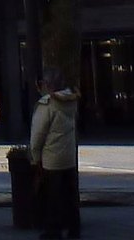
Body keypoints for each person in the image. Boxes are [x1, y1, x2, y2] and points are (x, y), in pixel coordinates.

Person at [29, 67, 80, 240]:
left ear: (47, 85)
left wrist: (35, 158)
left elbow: (38, 135)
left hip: (52, 158)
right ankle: (74, 228)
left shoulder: (47, 105)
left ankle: (53, 229)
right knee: (70, 195)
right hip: (69, 157)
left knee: (53, 196)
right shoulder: (71, 101)